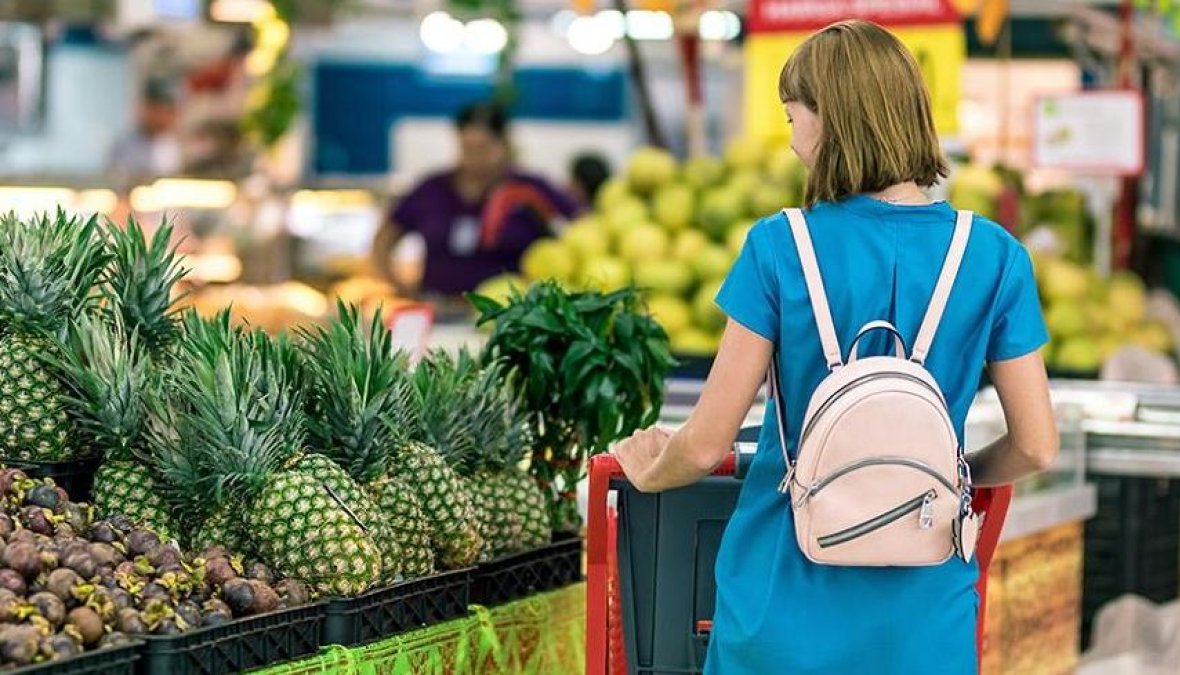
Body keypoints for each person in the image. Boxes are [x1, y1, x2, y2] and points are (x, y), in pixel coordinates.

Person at [611, 20, 1058, 675]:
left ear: (831, 122)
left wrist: (652, 470)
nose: (792, 142)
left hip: (780, 604)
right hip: (924, 617)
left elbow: (708, 442)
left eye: (794, 117)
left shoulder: (779, 248)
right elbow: (1037, 445)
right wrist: (947, 477)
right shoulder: (993, 257)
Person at [372, 102, 582, 297]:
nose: (474, 157)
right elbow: (385, 237)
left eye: (483, 148)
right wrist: (398, 287)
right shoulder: (432, 189)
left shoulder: (529, 189)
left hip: (511, 315)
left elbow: (581, 225)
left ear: (503, 145)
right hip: (439, 309)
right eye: (467, 148)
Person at [107, 79, 183, 180]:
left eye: (169, 112)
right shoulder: (125, 145)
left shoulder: (173, 145)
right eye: (159, 111)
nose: (165, 117)